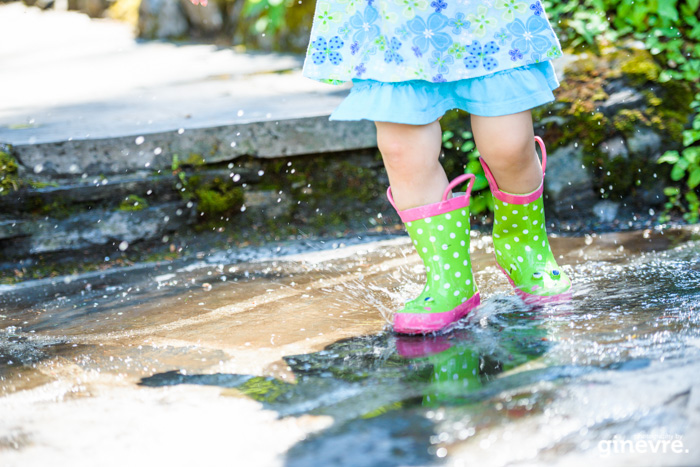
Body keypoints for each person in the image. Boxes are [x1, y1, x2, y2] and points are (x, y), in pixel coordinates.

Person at [303, 1, 572, 334]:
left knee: (511, 145)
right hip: (393, 18)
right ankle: (449, 279)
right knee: (403, 151)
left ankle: (524, 244)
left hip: (481, 12)